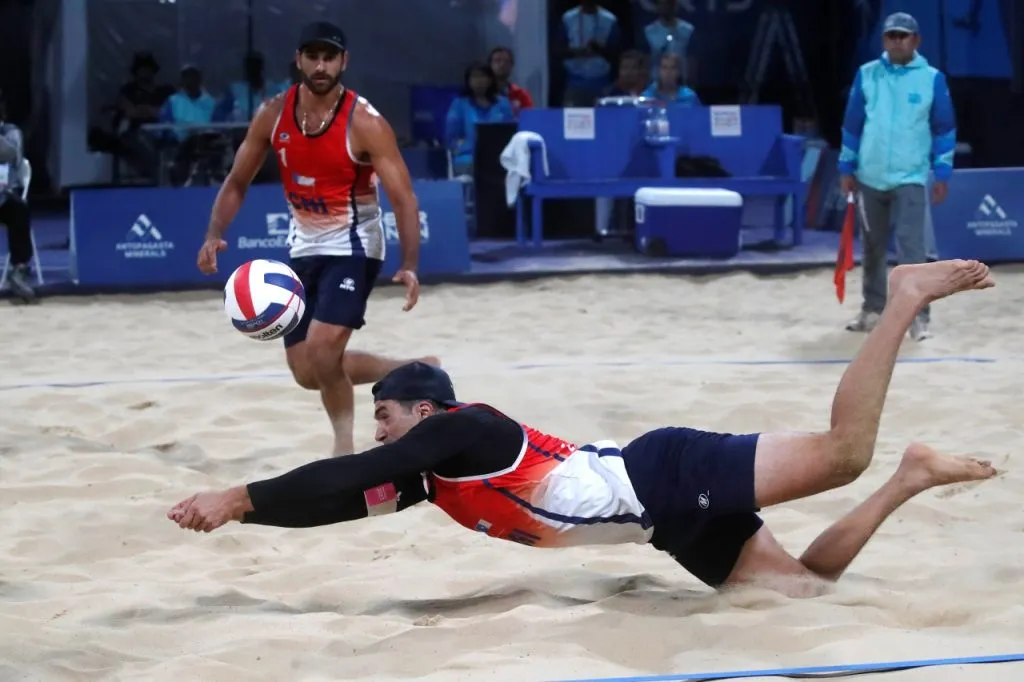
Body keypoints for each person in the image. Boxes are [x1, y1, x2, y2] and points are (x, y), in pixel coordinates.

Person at [169, 260, 998, 595]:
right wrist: (252, 511)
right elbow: (340, 502)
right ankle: (911, 475)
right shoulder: (433, 477)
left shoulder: (459, 429)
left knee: (841, 453)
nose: (377, 432)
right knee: (805, 594)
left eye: (382, 415)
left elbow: (347, 473)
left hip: (663, 473)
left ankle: (903, 297)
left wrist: (237, 493)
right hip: (661, 525)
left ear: (423, 408)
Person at [196, 21, 437, 456]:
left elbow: (403, 198)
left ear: (343, 61)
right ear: (299, 59)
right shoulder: (273, 114)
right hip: (303, 247)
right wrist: (214, 233)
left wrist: (411, 263)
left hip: (354, 246)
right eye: (313, 56)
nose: (321, 65)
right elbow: (236, 181)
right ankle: (413, 369)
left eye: (330, 57)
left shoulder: (364, 121)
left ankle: (344, 449)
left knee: (324, 352)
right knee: (307, 371)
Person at [839, 12, 956, 342]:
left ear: (916, 40)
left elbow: (944, 129)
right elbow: (852, 126)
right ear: (884, 40)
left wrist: (943, 171)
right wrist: (846, 168)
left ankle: (917, 317)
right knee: (873, 248)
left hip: (910, 176)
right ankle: (873, 309)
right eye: (891, 36)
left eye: (904, 36)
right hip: (869, 175)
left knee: (912, 252)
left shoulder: (932, 79)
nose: (897, 41)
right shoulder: (867, 75)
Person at [444, 62, 515, 177]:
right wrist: (466, 147)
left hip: (500, 155)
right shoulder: (459, 105)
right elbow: (451, 138)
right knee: (471, 164)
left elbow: (510, 132)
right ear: (468, 80)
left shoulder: (503, 104)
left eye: (482, 76)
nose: (478, 80)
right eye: (474, 76)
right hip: (469, 156)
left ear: (490, 79)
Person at [0, 87, 36, 303]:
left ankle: (19, 271)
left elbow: (13, 156)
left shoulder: (11, 133)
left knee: (20, 210)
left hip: (3, 198)